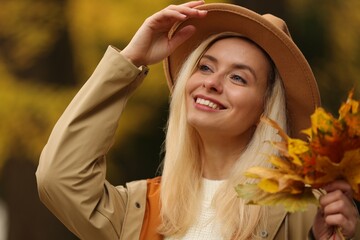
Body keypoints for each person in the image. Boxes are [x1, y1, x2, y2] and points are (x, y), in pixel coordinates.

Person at [36, 1, 359, 239]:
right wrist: (129, 60)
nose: (212, 82)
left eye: (238, 78)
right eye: (205, 67)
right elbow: (59, 178)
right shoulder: (140, 208)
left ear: (267, 109)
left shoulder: (306, 211)